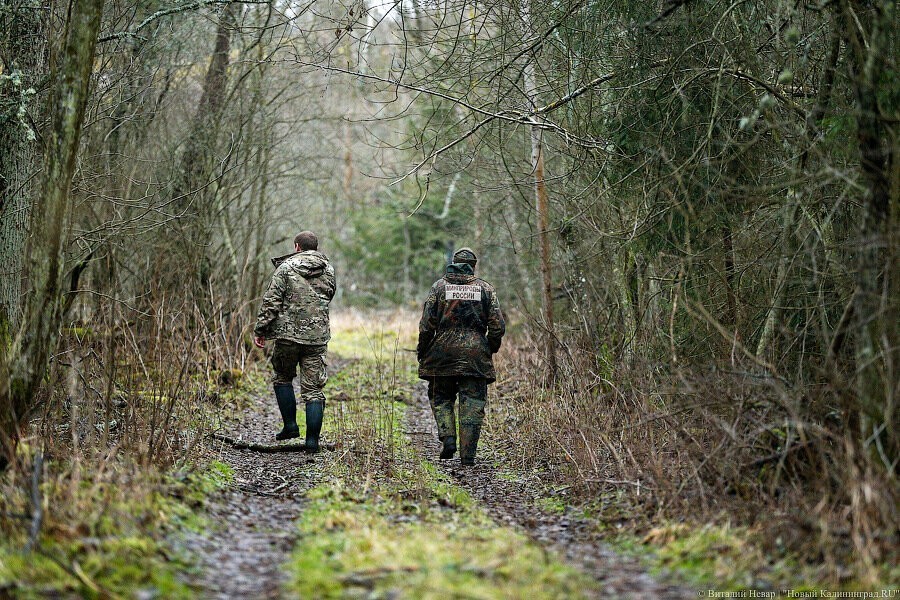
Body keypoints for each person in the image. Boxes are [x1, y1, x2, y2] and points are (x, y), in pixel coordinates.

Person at [417, 247, 505, 466]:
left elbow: (427, 325)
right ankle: (468, 456)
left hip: (442, 353)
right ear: (474, 265)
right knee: (473, 402)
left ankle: (448, 437)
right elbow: (497, 325)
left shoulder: (438, 287)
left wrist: (423, 349)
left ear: (453, 262)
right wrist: (490, 348)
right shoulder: (486, 289)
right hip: (476, 354)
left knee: (441, 397)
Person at [253, 231, 336, 451]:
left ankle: (290, 426)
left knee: (282, 377)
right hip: (316, 337)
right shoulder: (328, 269)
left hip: (287, 336)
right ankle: (312, 441)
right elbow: (329, 295)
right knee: (314, 390)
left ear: (297, 246)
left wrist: (261, 329)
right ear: (315, 248)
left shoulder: (286, 268)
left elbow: (271, 301)